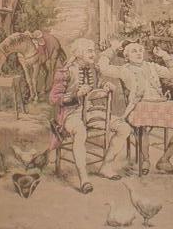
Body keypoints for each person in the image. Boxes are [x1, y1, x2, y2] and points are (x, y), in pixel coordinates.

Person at [49, 38, 132, 194]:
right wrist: (74, 94)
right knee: (80, 132)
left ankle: (106, 167)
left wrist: (105, 85)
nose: (93, 54)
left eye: (93, 50)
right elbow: (53, 98)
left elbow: (98, 83)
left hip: (91, 111)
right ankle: (84, 179)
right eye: (89, 51)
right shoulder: (65, 71)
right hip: (70, 113)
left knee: (124, 128)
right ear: (79, 53)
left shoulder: (94, 69)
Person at [98, 39, 173, 174]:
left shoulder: (152, 66)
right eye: (134, 51)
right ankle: (146, 160)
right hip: (138, 108)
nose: (139, 53)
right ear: (126, 56)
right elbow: (103, 68)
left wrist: (164, 55)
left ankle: (164, 160)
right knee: (142, 126)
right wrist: (112, 49)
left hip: (160, 106)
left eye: (140, 50)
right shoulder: (124, 70)